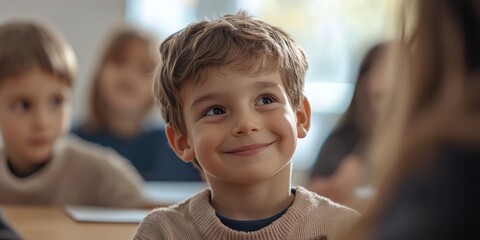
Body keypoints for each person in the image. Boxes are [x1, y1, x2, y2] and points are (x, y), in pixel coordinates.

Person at [133, 11, 358, 240]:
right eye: (215, 111)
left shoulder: (347, 230)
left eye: (265, 100)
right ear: (182, 141)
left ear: (300, 117)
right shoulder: (162, 232)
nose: (245, 124)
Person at [343, 0, 480, 239]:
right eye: (377, 97)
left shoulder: (447, 168)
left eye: (390, 97)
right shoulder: (346, 144)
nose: (387, 110)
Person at [0, 21, 147, 208]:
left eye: (56, 102)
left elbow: (145, 221)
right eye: (23, 105)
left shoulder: (104, 175)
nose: (42, 122)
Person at [71, 27, 202, 181]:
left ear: (158, 88)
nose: (129, 73)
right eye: (120, 62)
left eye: (143, 69)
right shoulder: (73, 143)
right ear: (100, 72)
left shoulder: (176, 146)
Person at [308, 43, 392, 208]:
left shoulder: (426, 144)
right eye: (379, 97)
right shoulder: (341, 142)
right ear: (365, 82)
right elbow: (313, 198)